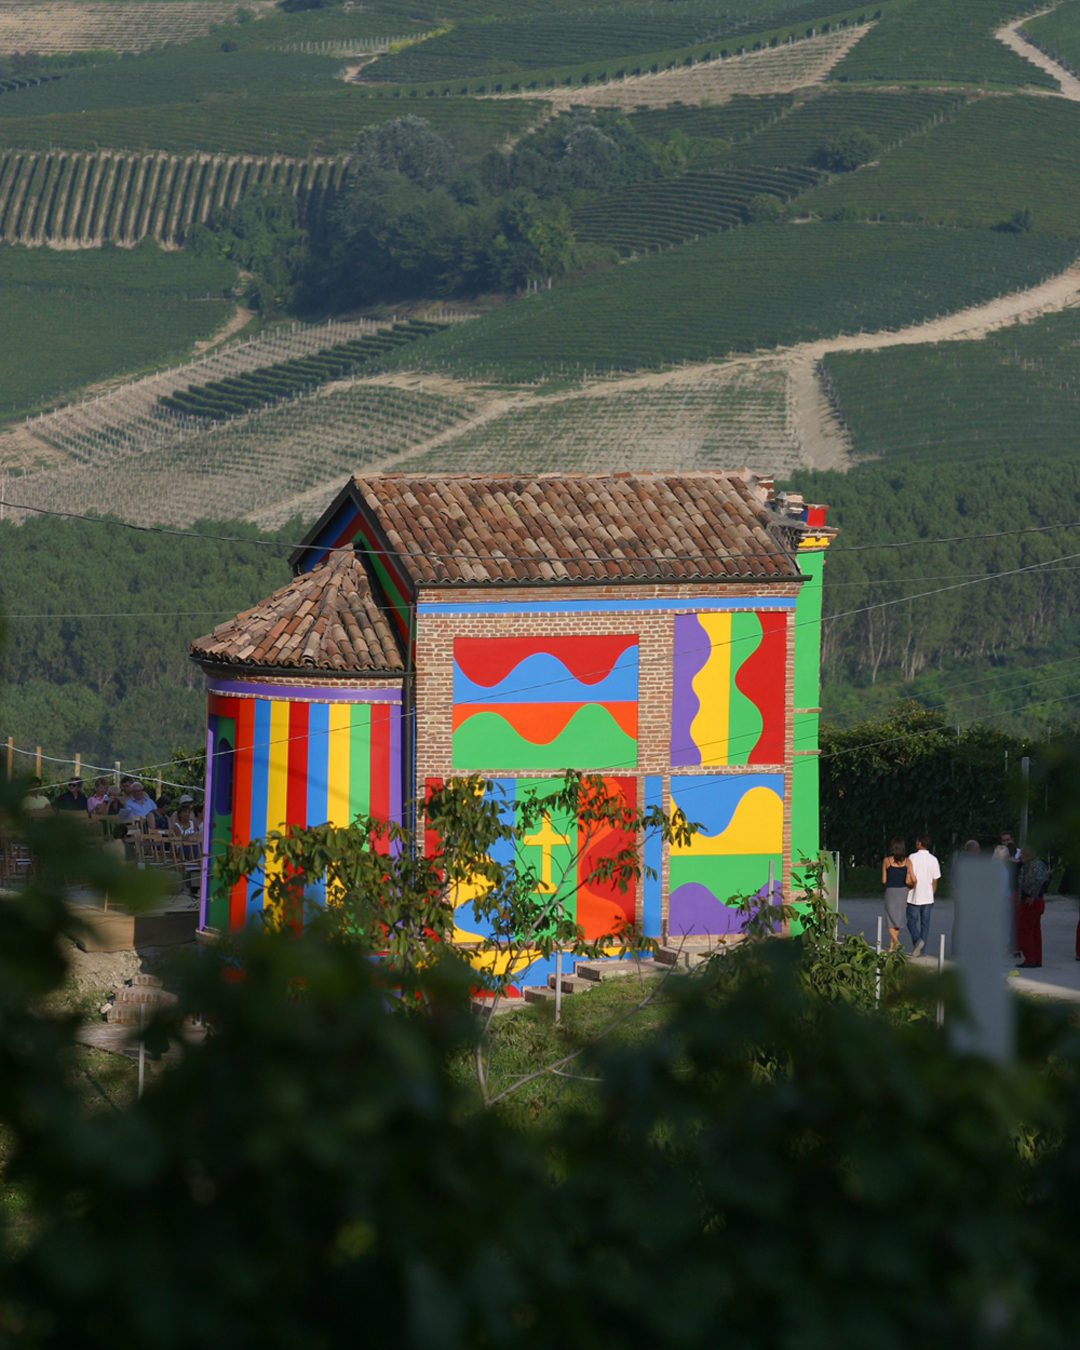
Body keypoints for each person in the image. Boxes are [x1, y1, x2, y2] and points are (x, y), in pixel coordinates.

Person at [906, 833, 941, 957]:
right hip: (927, 896)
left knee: (911, 921)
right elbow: (935, 880)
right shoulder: (934, 859)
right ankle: (922, 950)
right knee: (925, 925)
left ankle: (917, 940)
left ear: (919, 843)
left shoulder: (912, 857)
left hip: (913, 895)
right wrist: (932, 894)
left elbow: (908, 876)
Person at [1016, 845, 1050, 969]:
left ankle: (1030, 958)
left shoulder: (1029, 866)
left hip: (1029, 902)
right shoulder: (1040, 864)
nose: (1020, 857)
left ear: (1027, 855)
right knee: (1036, 931)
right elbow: (1046, 879)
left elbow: (1034, 881)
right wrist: (1039, 894)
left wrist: (1033, 894)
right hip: (1038, 902)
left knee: (1026, 931)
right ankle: (1037, 958)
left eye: (1022, 855)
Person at [881, 837, 913, 950]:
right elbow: (913, 878)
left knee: (890, 919)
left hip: (891, 891)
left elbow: (884, 880)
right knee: (898, 920)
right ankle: (890, 948)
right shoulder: (907, 861)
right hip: (903, 891)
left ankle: (897, 944)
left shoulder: (887, 860)